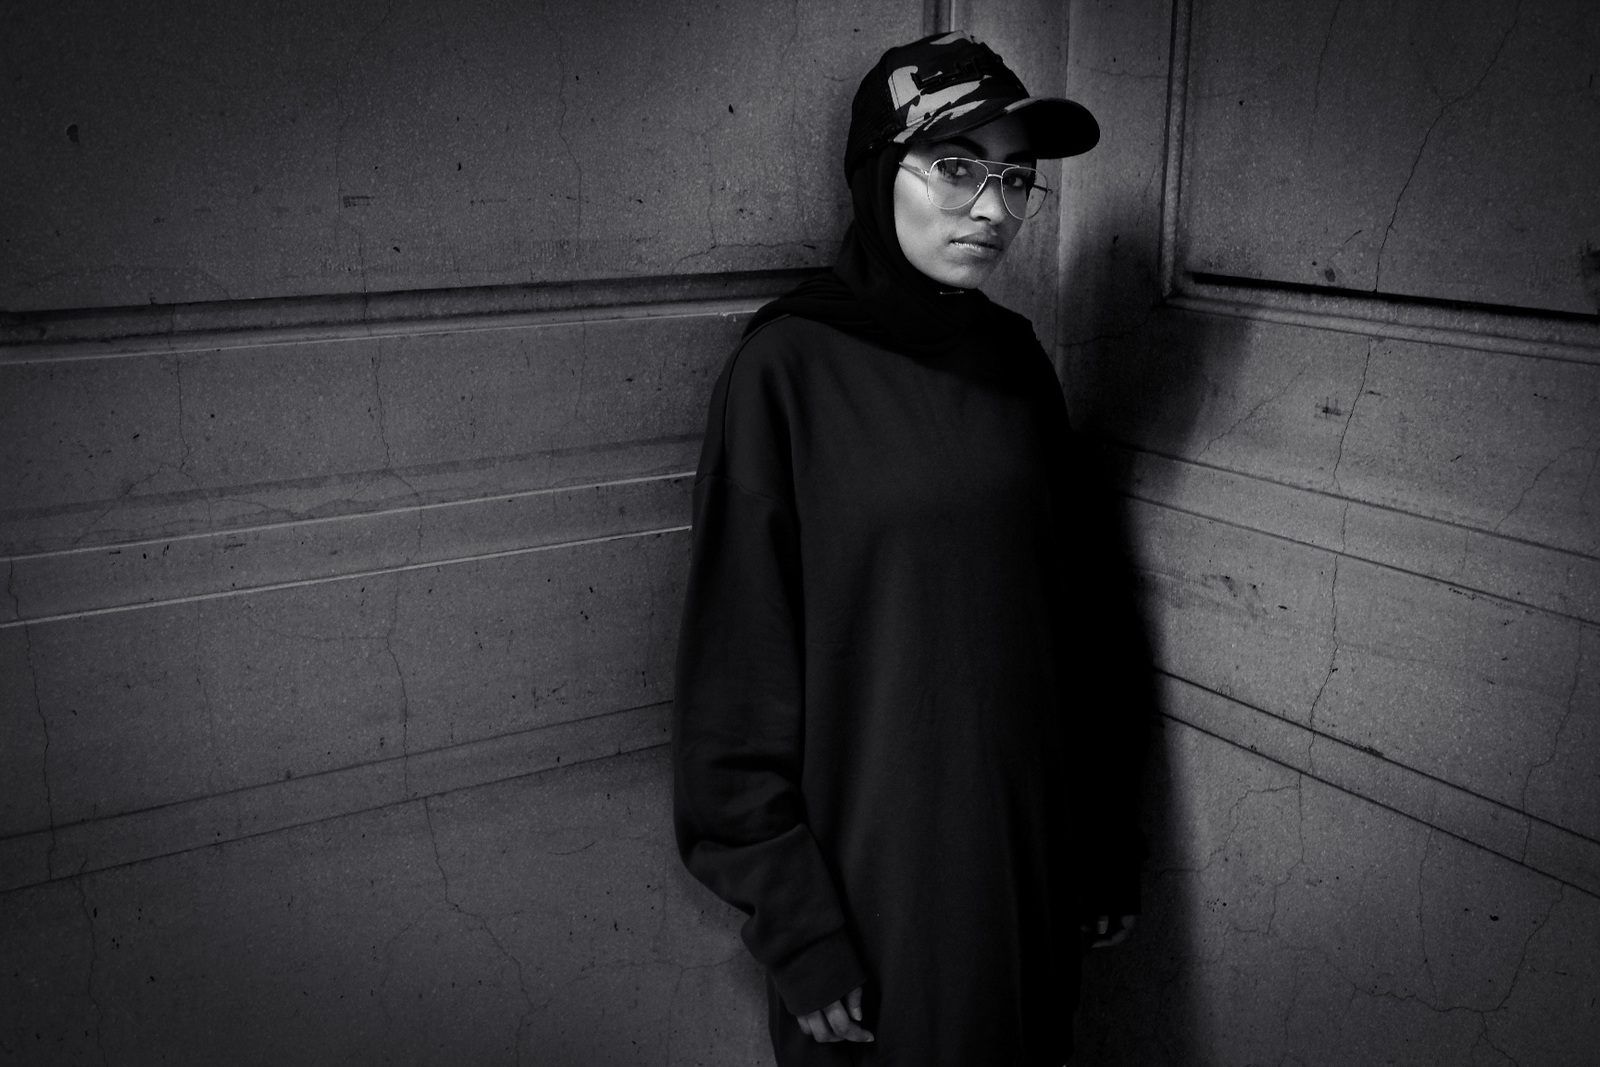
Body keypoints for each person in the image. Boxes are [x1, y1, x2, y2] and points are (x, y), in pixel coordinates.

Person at [672, 31, 1153, 1066]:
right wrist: (799, 927)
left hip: (1027, 870)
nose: (992, 209)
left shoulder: (1014, 361)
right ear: (879, 171)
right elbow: (733, 683)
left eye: (1015, 180)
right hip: (875, 891)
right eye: (957, 167)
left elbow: (1076, 627)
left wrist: (1101, 842)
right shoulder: (787, 370)